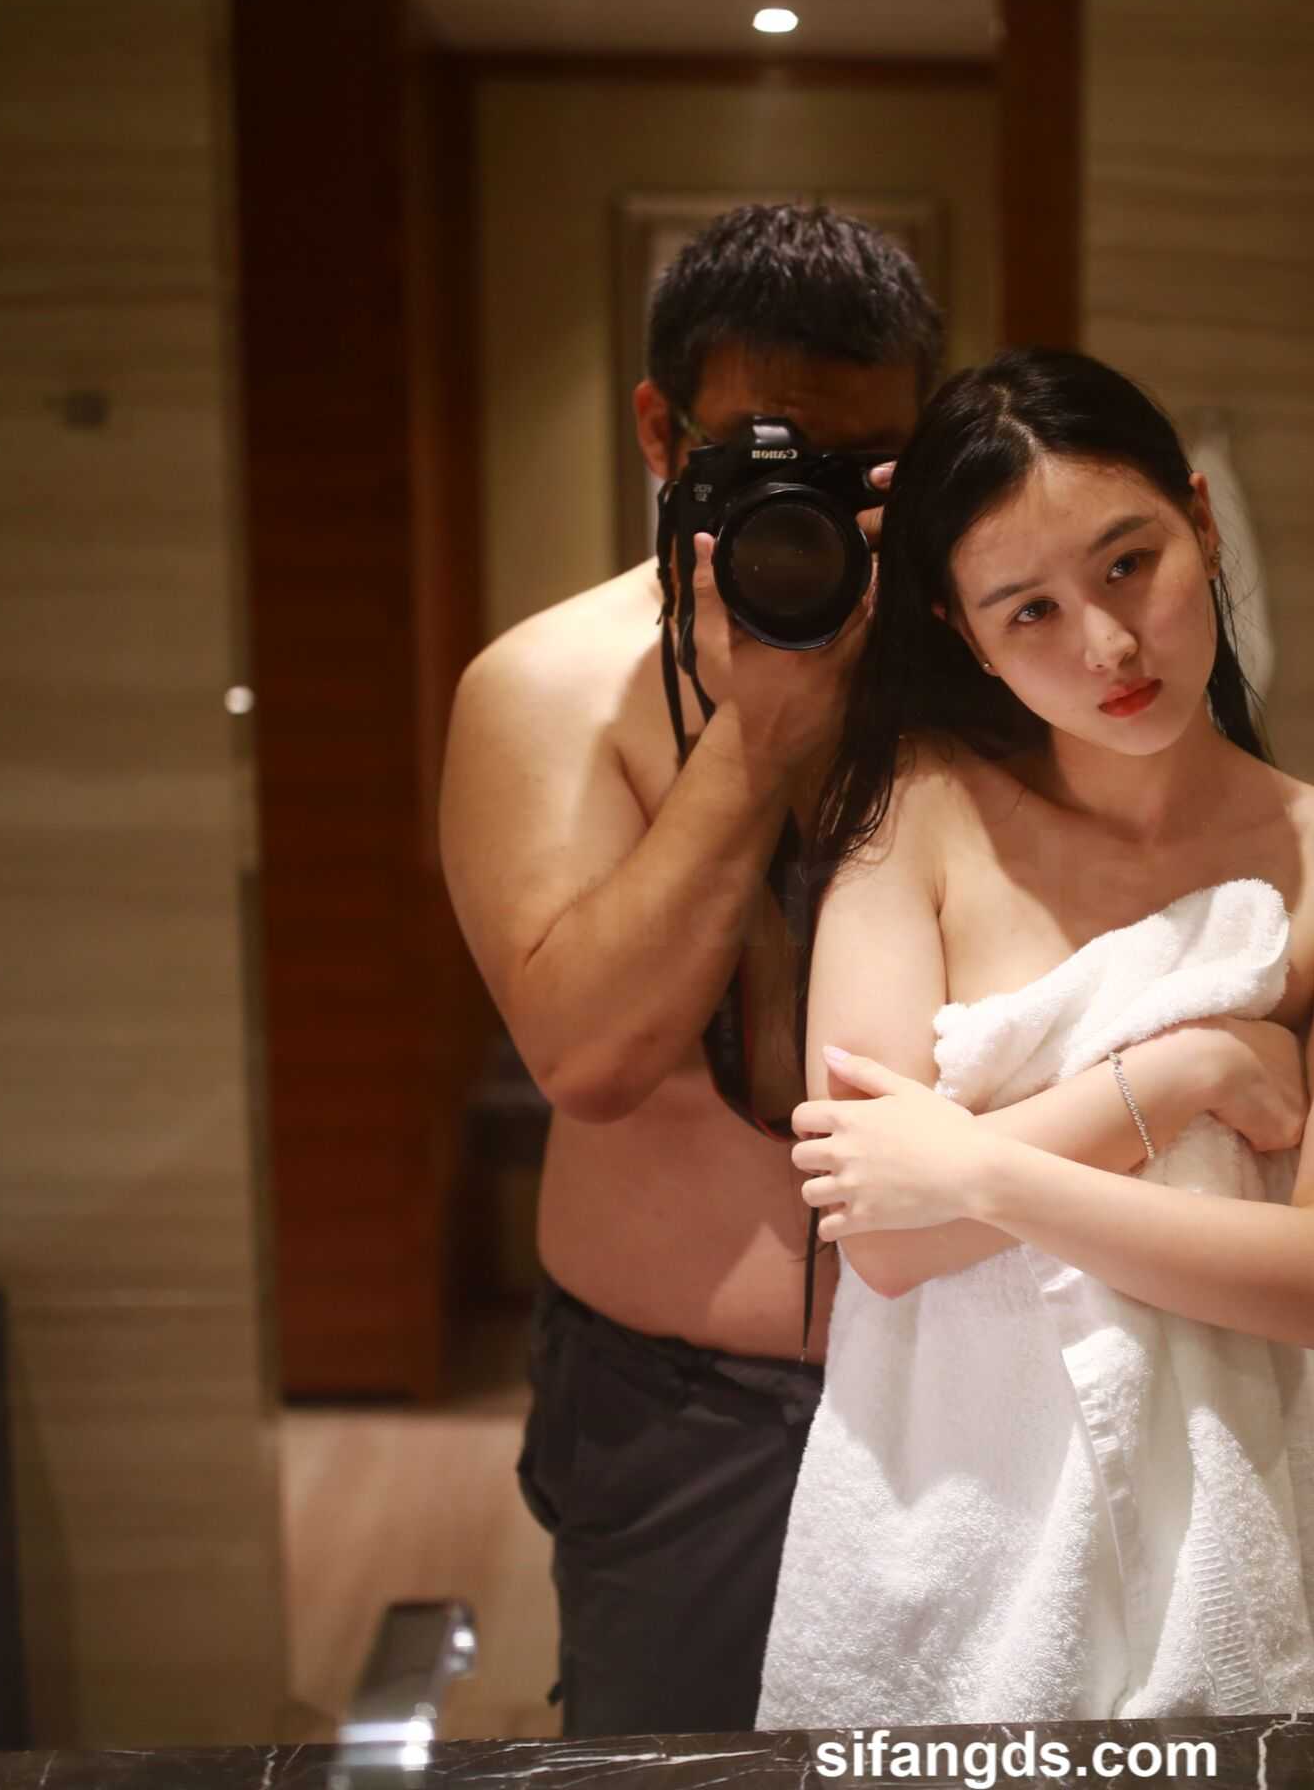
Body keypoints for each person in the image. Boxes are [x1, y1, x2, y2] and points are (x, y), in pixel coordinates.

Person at [755, 348, 1314, 1725]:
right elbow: (883, 1240)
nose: (1109, 647)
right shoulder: (913, 820)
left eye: (1131, 564)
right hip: (944, 1513)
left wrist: (974, 1170)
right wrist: (1177, 1077)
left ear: (1202, 518)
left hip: (1224, 1527)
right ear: (961, 632)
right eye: (1030, 611)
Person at [434, 203, 929, 1737]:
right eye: (775, 455)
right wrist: (757, 740)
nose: (820, 505)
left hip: (961, 1375)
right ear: (662, 434)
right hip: (678, 1409)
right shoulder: (546, 690)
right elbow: (587, 1058)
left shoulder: (982, 664)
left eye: (870, 466)